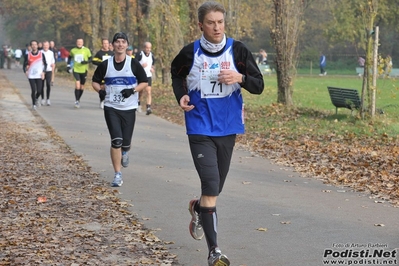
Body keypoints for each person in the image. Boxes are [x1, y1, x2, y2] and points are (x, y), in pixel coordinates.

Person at [170, 2, 264, 266]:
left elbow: (259, 86)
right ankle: (214, 252)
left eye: (220, 22)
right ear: (201, 25)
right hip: (199, 126)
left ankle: (198, 208)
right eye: (211, 22)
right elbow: (176, 75)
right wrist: (182, 95)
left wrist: (240, 78)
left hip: (227, 127)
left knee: (216, 187)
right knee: (210, 184)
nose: (216, 27)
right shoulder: (190, 53)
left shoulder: (239, 50)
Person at [92, 32, 148, 187]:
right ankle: (117, 174)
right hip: (111, 107)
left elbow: (144, 82)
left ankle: (125, 151)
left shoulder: (133, 63)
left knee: (126, 142)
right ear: (113, 45)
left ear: (126, 45)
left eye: (123, 42)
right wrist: (101, 91)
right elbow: (95, 82)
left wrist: (133, 90)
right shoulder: (106, 64)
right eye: (117, 42)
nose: (120, 44)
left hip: (129, 108)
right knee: (116, 140)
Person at [67, 38, 92, 108]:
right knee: (77, 85)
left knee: (82, 87)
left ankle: (78, 99)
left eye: (80, 42)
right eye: (78, 42)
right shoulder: (73, 50)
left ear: (83, 43)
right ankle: (76, 101)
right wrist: (68, 66)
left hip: (84, 70)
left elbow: (91, 59)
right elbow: (69, 57)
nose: (79, 43)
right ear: (76, 43)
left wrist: (86, 62)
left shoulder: (86, 50)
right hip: (76, 69)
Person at [23, 40, 47, 110]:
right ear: (31, 46)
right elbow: (24, 65)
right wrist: (25, 71)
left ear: (37, 45)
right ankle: (33, 104)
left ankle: (36, 98)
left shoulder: (41, 54)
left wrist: (43, 72)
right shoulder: (28, 55)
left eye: (35, 44)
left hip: (39, 75)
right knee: (33, 90)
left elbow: (45, 64)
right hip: (31, 75)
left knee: (39, 91)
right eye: (32, 45)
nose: (34, 46)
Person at [92, 38, 114, 109]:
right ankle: (102, 100)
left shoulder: (112, 53)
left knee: (108, 87)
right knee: (102, 87)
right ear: (102, 44)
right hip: (102, 72)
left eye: (107, 43)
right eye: (104, 43)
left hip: (110, 73)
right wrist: (101, 63)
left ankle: (108, 100)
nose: (105, 45)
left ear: (109, 44)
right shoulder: (99, 53)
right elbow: (94, 61)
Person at [135, 42, 155, 114]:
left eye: (150, 48)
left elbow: (153, 64)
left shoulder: (152, 55)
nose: (148, 49)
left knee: (149, 91)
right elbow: (134, 64)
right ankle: (138, 103)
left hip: (148, 76)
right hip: (140, 76)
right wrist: (141, 66)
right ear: (144, 48)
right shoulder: (139, 54)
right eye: (147, 48)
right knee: (140, 92)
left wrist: (152, 68)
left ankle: (148, 107)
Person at [39, 41, 55, 106]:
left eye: (47, 45)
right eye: (44, 45)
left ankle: (48, 99)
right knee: (41, 85)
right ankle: (42, 99)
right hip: (42, 71)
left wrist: (53, 65)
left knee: (48, 84)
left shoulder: (51, 53)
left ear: (49, 46)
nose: (45, 46)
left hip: (49, 70)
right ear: (43, 46)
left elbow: (53, 61)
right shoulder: (40, 52)